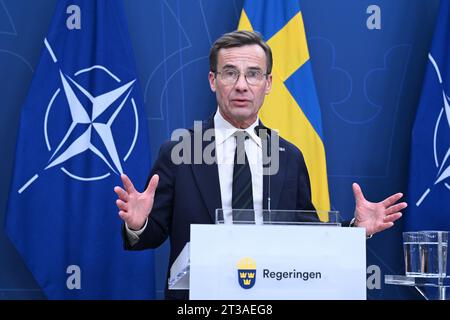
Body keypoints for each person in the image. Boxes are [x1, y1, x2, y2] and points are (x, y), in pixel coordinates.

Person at [114, 30, 407, 300]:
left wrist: (357, 228)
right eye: (230, 73)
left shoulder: (288, 157)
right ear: (213, 80)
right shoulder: (178, 152)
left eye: (253, 74)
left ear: (267, 84)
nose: (241, 85)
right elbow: (148, 237)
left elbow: (309, 236)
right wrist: (138, 224)